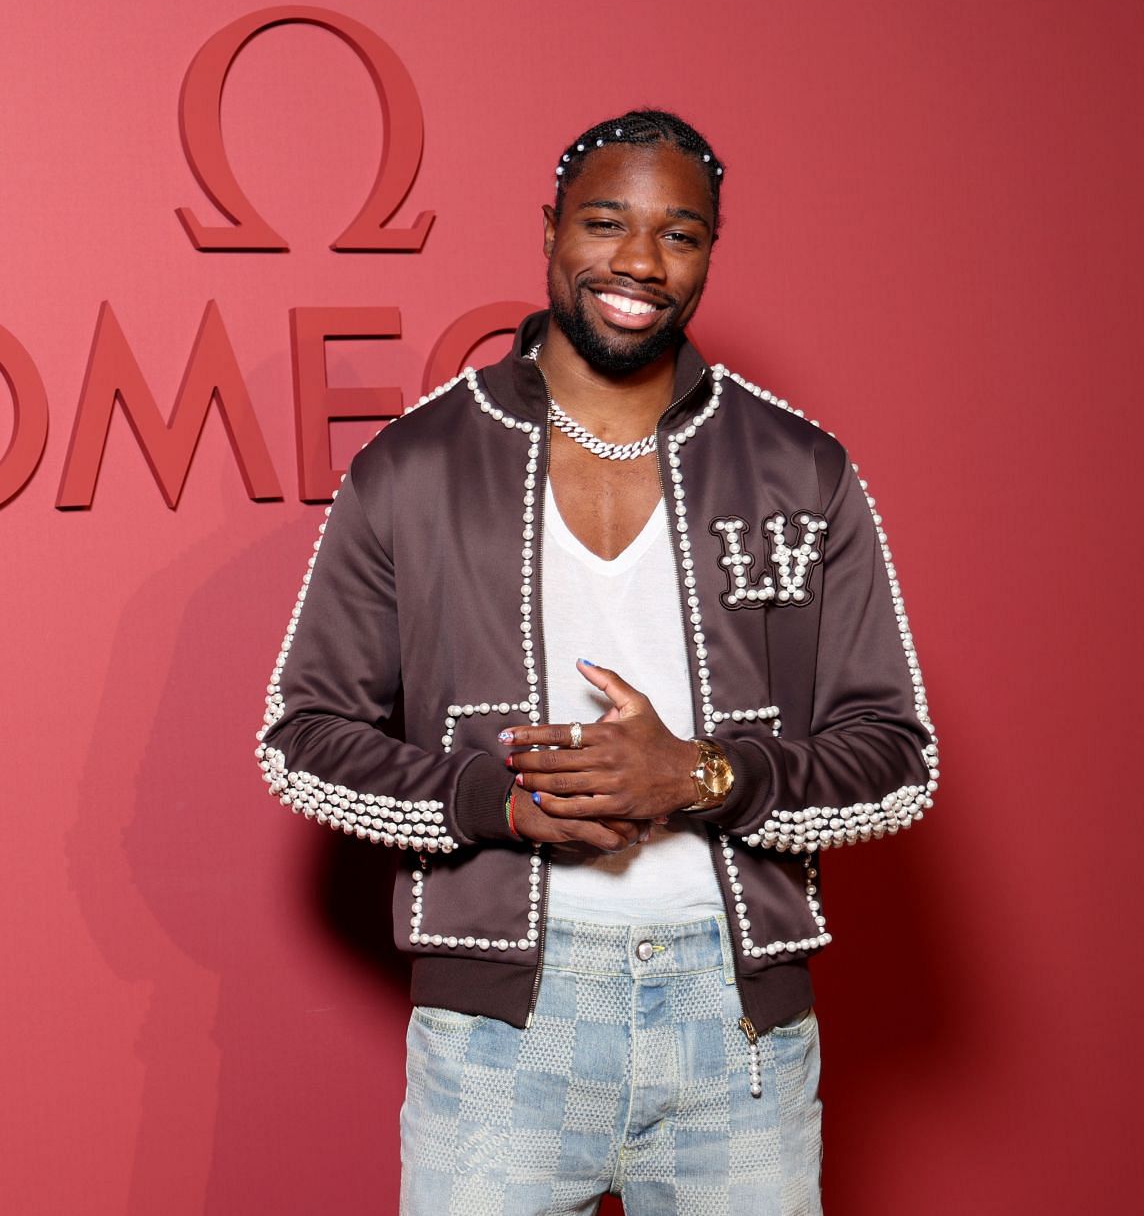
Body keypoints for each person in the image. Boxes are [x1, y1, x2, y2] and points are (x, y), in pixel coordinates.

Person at [253, 107, 938, 1215]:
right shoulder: (417, 465)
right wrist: (498, 804)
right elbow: (303, 741)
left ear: (711, 251)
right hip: (500, 1029)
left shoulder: (800, 469)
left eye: (679, 234)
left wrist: (705, 778)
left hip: (738, 1024)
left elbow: (898, 760)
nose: (638, 262)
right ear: (551, 231)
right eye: (607, 223)